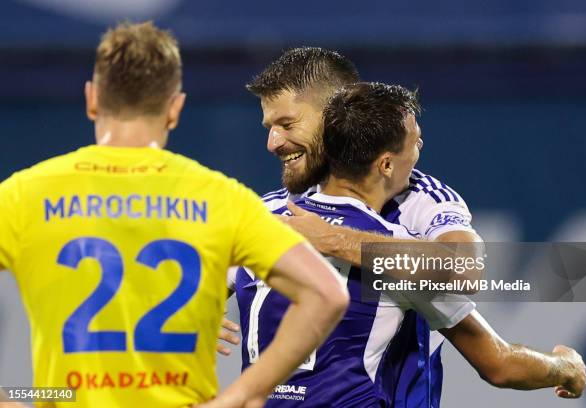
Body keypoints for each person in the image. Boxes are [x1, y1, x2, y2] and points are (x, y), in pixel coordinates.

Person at [0, 23, 348, 408]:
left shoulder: (25, 194)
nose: (274, 141)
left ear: (92, 99)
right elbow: (326, 295)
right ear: (175, 108)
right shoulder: (220, 197)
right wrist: (240, 396)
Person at [230, 82, 586, 407]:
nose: (419, 147)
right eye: (414, 141)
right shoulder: (400, 255)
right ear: (386, 164)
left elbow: (187, 274)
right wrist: (565, 367)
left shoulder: (264, 218)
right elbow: (499, 364)